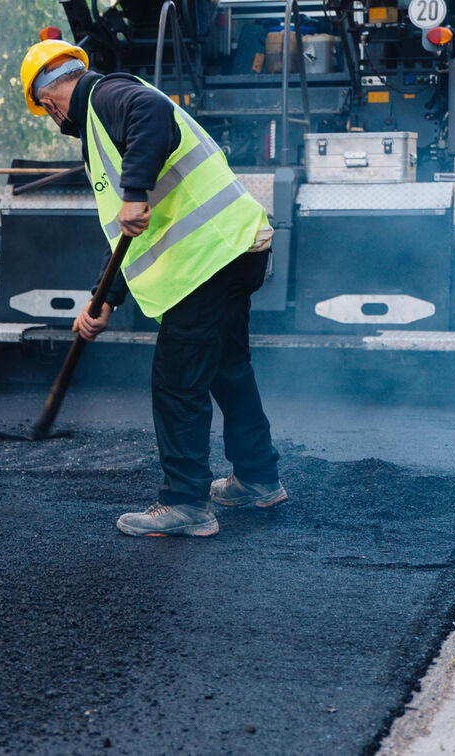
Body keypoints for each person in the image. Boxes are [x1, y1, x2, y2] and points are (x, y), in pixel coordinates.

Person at [20, 36, 286, 537]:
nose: (58, 125)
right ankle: (257, 478)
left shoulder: (106, 96)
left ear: (50, 101)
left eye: (49, 115)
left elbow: (154, 112)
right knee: (228, 369)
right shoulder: (103, 120)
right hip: (234, 249)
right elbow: (127, 233)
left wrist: (135, 192)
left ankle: (185, 503)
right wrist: (104, 300)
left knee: (177, 382)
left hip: (208, 261)